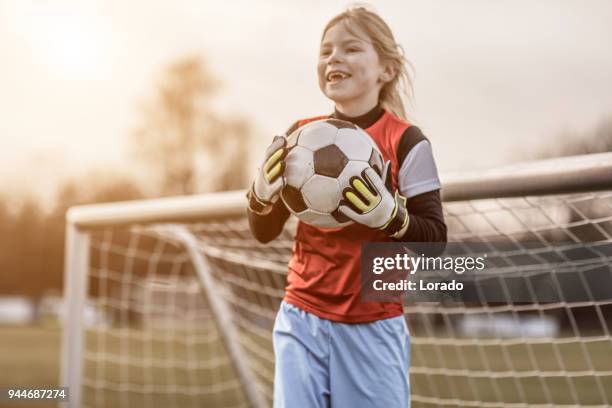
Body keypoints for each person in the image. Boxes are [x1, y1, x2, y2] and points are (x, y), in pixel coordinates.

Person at [246, 6, 447, 408]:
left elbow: (435, 239)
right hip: (301, 315)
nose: (333, 58)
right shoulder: (300, 136)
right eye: (325, 52)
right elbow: (264, 232)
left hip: (373, 321)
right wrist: (259, 197)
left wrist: (393, 218)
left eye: (351, 48)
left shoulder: (407, 142)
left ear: (386, 70)